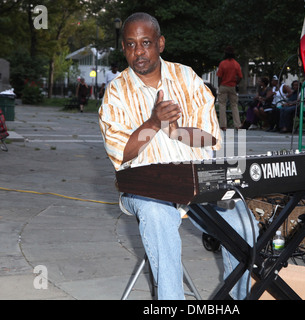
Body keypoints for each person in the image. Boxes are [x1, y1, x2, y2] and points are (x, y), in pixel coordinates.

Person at [99, 12, 259, 300]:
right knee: (157, 216)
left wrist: (177, 132)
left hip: (197, 181)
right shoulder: (115, 92)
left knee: (244, 224)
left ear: (160, 43)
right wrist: (152, 123)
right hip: (145, 187)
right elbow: (120, 154)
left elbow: (212, 137)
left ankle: (238, 298)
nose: (138, 52)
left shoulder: (187, 78)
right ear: (123, 47)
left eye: (145, 42)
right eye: (131, 44)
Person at [216, 46, 243, 131]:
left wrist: (219, 85)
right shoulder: (236, 64)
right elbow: (240, 76)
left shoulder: (223, 63)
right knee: (234, 105)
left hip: (223, 85)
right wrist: (236, 82)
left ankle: (223, 125)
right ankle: (237, 124)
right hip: (232, 86)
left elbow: (219, 76)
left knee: (222, 105)